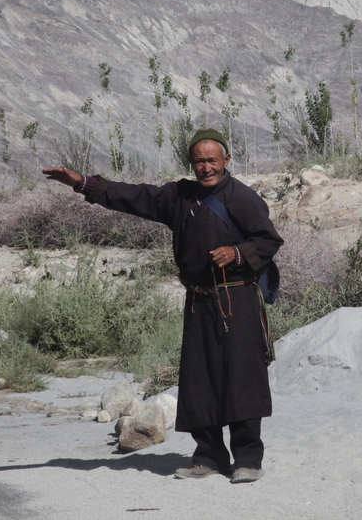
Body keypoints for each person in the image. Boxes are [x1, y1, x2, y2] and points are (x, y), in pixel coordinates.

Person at [43, 128, 283, 484]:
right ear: (191, 163)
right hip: (199, 302)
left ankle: (248, 459)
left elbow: (268, 240)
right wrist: (83, 184)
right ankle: (209, 457)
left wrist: (235, 253)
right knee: (200, 379)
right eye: (199, 161)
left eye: (212, 160)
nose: (206, 167)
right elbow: (133, 196)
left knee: (241, 378)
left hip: (238, 301)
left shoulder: (243, 199)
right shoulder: (179, 197)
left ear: (226, 160)